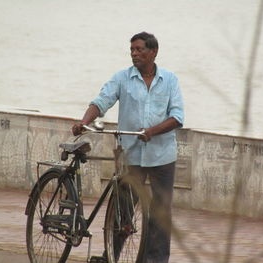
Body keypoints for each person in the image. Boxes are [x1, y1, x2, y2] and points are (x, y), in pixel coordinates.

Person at [72, 32, 184, 263]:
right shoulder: (122, 78)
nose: (134, 54)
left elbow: (177, 117)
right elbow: (101, 101)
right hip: (131, 155)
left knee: (160, 212)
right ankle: (110, 255)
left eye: (139, 49)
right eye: (132, 49)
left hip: (162, 156)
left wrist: (152, 131)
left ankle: (155, 260)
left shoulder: (170, 80)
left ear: (153, 52)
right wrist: (85, 122)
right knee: (123, 212)